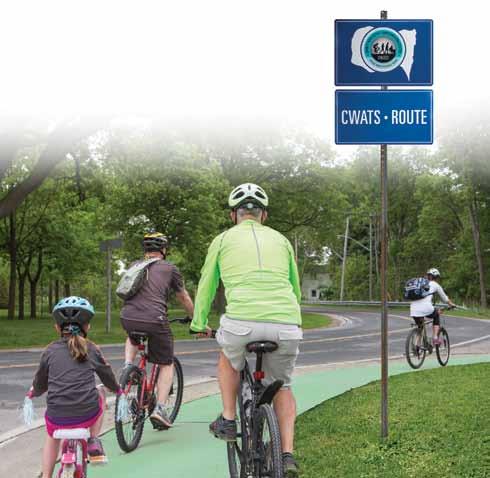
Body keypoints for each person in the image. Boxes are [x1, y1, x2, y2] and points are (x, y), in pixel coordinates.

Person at [190, 183, 303, 477]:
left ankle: (229, 419)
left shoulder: (222, 239)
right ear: (264, 215)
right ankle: (287, 455)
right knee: (283, 386)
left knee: (228, 358)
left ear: (233, 215)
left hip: (241, 322)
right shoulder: (282, 240)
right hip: (285, 324)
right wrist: (293, 318)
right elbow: (295, 287)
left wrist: (199, 323)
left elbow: (206, 285)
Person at [28, 296, 121, 478]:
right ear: (87, 327)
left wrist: (33, 392)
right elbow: (106, 375)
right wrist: (116, 388)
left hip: (57, 415)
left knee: (51, 437)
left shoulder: (50, 351)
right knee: (100, 392)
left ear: (57, 327)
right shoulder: (92, 349)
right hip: (87, 412)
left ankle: (46, 476)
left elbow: (40, 382)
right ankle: (93, 440)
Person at [120, 232, 194, 430]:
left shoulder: (135, 266)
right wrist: (195, 318)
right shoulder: (170, 268)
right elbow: (183, 297)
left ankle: (128, 367)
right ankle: (160, 409)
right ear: (163, 249)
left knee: (132, 336)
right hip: (154, 319)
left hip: (127, 316)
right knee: (166, 363)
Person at [410, 268, 456, 344]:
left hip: (413, 309)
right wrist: (452, 304)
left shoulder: (420, 284)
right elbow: (445, 298)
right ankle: (435, 338)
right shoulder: (435, 285)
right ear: (436, 277)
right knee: (436, 315)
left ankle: (416, 345)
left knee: (420, 327)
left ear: (428, 276)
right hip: (426, 308)